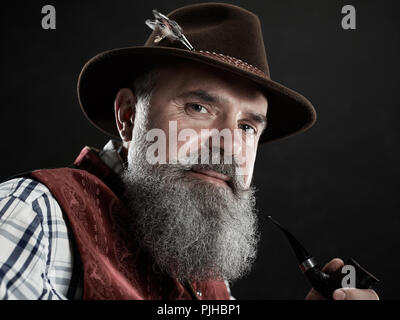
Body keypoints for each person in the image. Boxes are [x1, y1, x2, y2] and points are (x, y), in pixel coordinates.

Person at [0, 3, 378, 300]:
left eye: (247, 127)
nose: (228, 145)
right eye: (199, 108)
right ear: (129, 118)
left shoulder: (206, 275)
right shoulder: (30, 221)